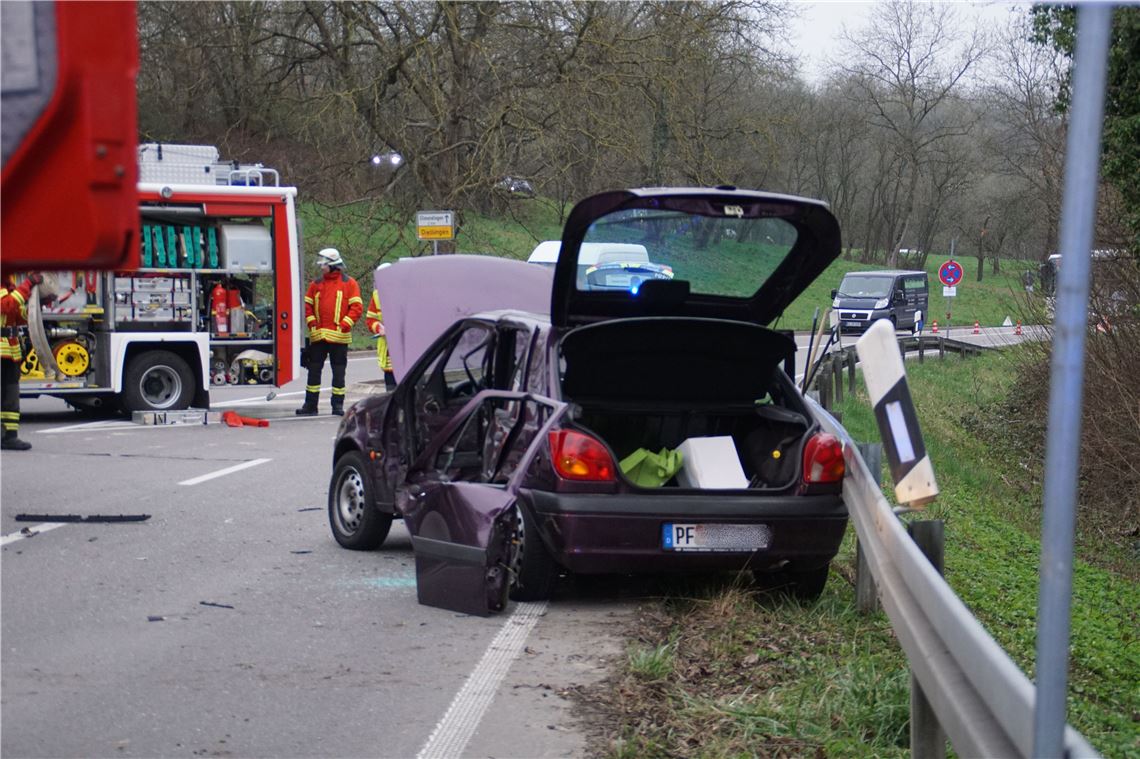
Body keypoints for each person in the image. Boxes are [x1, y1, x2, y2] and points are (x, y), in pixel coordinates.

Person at [296, 248, 363, 416]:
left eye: (324, 264)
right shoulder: (316, 284)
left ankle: (337, 405)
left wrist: (345, 324)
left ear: (333, 265)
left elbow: (356, 307)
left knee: (338, 373)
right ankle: (310, 405)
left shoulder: (349, 284)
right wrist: (312, 323)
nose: (321, 267)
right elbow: (307, 306)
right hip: (319, 337)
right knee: (313, 372)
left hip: (339, 338)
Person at [1, 273, 43, 450]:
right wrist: (27, 285)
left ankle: (9, 436)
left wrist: (37, 303)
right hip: (3, 351)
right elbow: (6, 306)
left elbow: (18, 316)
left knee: (10, 396)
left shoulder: (8, 288)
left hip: (10, 351)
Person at [365, 289, 397, 391]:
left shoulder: (413, 290)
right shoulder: (377, 294)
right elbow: (370, 319)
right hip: (389, 354)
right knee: (391, 393)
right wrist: (379, 328)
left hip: (411, 352)